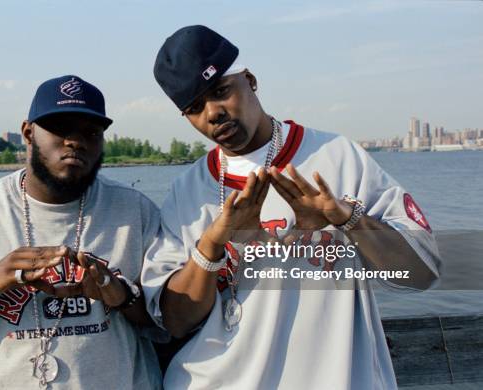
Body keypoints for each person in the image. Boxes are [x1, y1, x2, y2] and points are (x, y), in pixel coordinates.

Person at [142, 25, 442, 389]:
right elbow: (175, 321)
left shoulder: (336, 157)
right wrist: (213, 246)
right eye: (194, 108)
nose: (213, 113)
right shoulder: (188, 192)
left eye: (221, 91)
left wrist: (345, 219)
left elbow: (422, 273)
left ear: (250, 80)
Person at [0, 75, 162, 389]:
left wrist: (120, 295)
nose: (75, 141)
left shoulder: (136, 212)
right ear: (28, 133)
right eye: (61, 128)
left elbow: (169, 323)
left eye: (90, 132)